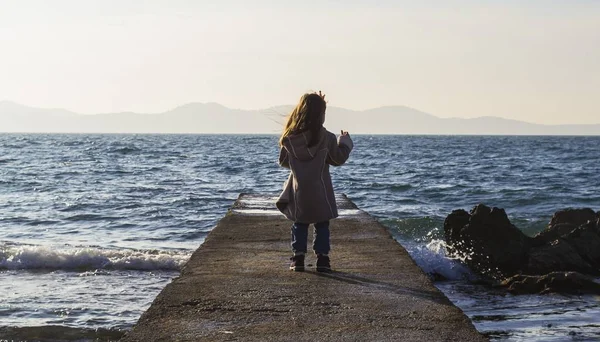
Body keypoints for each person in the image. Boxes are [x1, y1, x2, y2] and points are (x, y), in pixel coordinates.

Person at [275, 91, 353, 272]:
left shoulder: (290, 139)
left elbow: (283, 162)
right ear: (321, 115)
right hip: (321, 191)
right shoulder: (327, 138)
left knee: (299, 223)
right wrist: (345, 143)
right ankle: (323, 260)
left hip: (299, 191)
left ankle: (298, 259)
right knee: (322, 223)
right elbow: (338, 159)